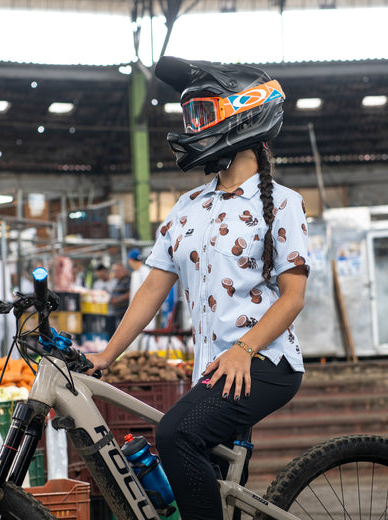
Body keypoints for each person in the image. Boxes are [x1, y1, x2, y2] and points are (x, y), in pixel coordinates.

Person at [87, 56, 310, 520]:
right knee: (197, 489)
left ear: (244, 116)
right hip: (213, 371)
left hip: (264, 364)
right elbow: (152, 288)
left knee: (174, 435)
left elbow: (293, 298)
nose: (193, 128)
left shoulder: (284, 205)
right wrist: (107, 356)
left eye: (203, 116)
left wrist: (244, 350)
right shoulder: (188, 208)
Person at [108, 263, 131, 329]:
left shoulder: (128, 280)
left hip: (125, 314)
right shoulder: (118, 281)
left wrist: (119, 299)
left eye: (117, 271)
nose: (116, 273)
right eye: (114, 271)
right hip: (118, 314)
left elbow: (132, 293)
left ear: (124, 270)